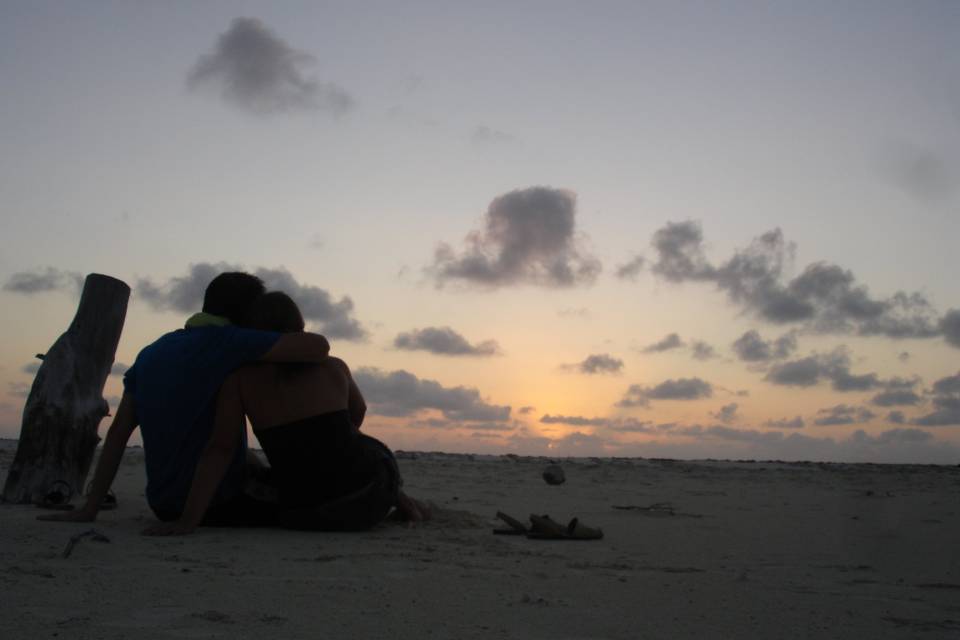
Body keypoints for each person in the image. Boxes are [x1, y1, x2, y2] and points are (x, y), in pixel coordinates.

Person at [40, 272, 333, 526]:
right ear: (246, 315)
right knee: (325, 499)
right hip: (218, 503)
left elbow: (117, 434)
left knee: (252, 461)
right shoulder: (233, 342)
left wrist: (90, 508)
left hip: (164, 505)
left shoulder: (152, 351)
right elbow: (318, 347)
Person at [142, 291, 428, 535]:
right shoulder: (333, 367)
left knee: (257, 469)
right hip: (369, 499)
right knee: (365, 448)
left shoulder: (239, 381)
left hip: (305, 513)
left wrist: (188, 521)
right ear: (299, 325)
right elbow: (359, 412)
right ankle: (399, 498)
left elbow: (220, 449)